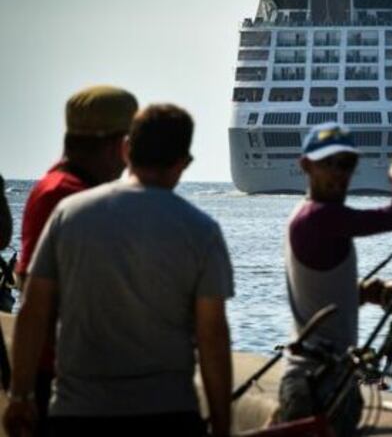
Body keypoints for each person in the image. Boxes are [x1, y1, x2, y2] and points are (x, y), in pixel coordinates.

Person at [4, 104, 234, 437]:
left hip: (78, 413)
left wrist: (20, 395)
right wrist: (222, 423)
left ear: (127, 149)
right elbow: (212, 335)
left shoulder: (70, 214)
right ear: (183, 163)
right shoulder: (202, 230)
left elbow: (33, 310)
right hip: (168, 415)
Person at [280, 123, 392, 436]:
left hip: (320, 377)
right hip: (319, 383)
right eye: (327, 163)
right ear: (306, 165)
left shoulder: (308, 216)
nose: (338, 172)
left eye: (346, 164)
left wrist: (367, 294)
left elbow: (320, 295)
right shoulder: (319, 218)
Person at [13, 85, 138, 427]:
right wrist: (20, 394)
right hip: (66, 382)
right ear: (120, 145)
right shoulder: (63, 197)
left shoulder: (70, 190)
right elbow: (34, 302)